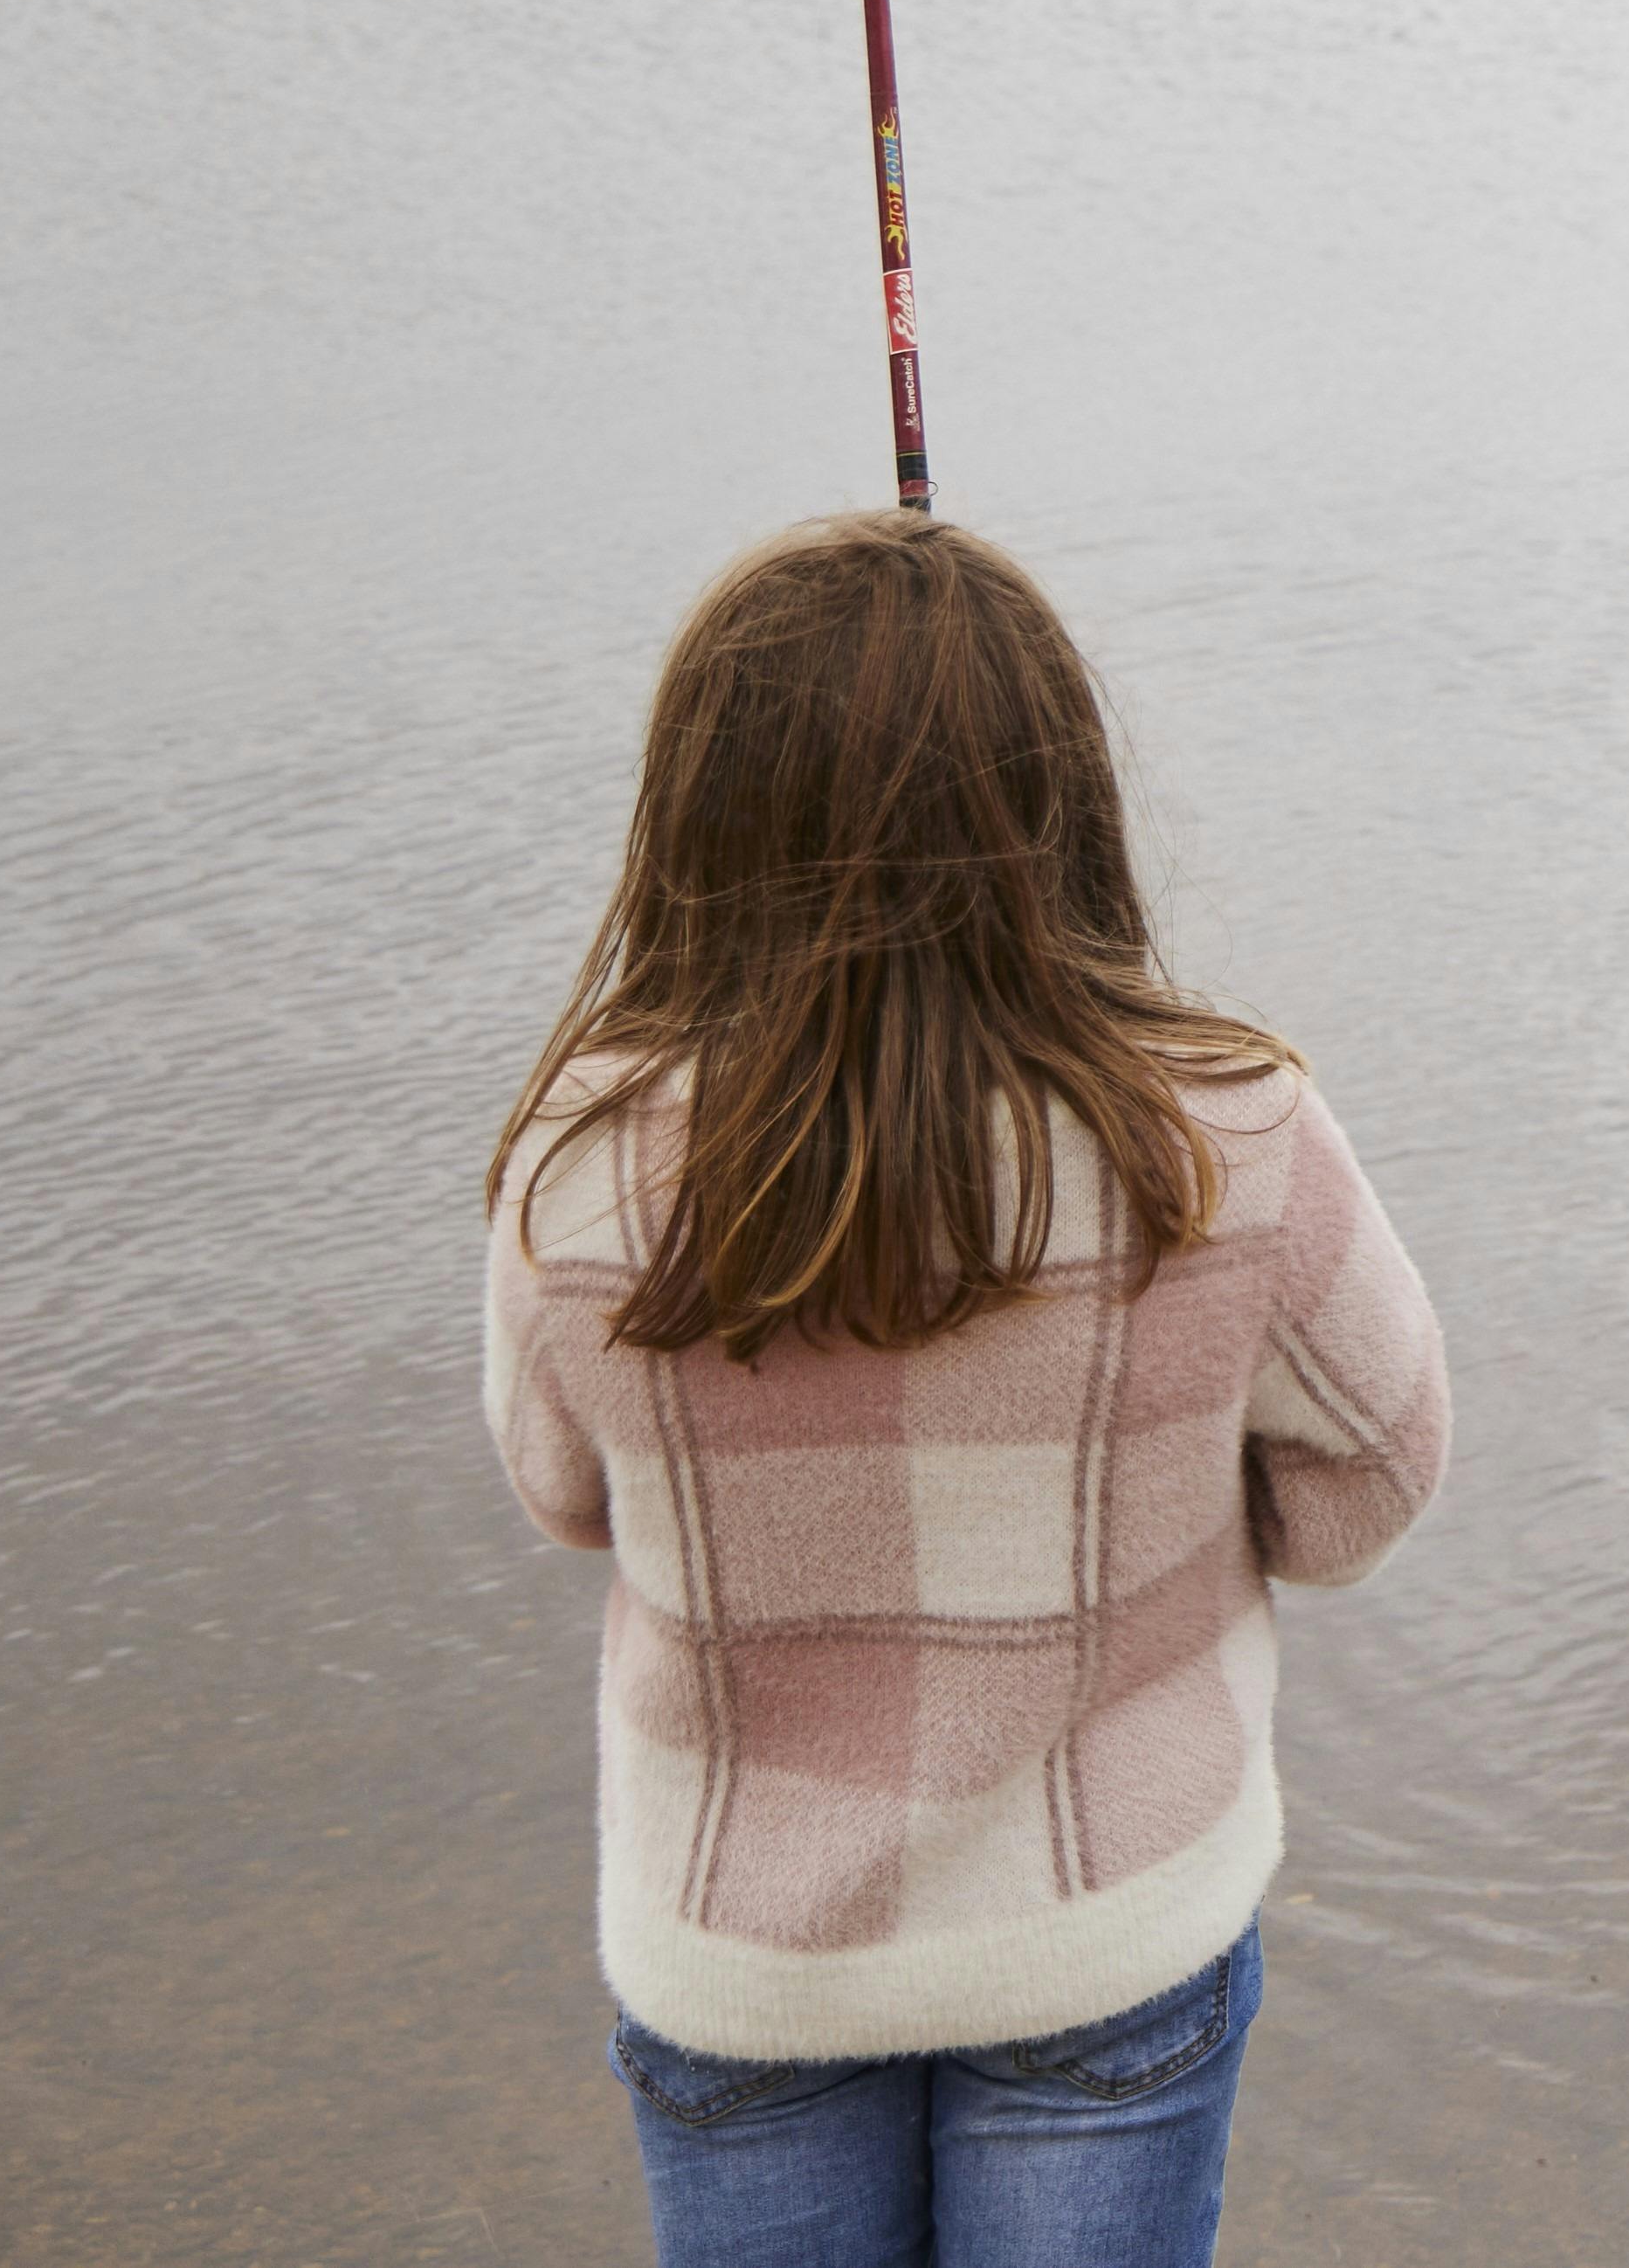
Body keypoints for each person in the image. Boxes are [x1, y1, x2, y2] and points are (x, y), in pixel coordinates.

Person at [485, 512, 1451, 2268]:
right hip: (1105, 1926)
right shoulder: (1230, 1132)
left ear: (695, 820)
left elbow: (563, 1492)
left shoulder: (579, 1163)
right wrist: (1152, 1513)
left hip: (740, 1951)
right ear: (1061, 794)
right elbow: (1364, 1488)